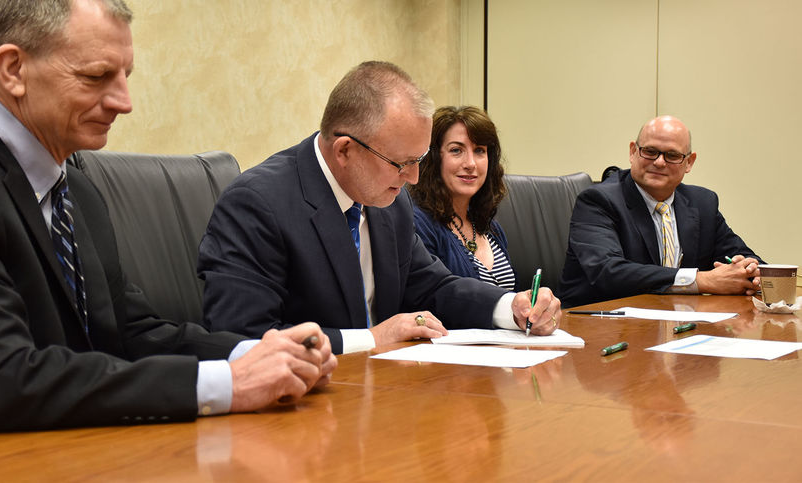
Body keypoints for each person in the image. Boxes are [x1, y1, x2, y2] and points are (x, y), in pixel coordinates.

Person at [0, 0, 335, 433]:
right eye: (97, 76)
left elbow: (132, 332)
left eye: (126, 75)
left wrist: (259, 355)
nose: (124, 101)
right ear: (13, 69)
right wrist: (226, 384)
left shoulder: (78, 190)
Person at [198, 61, 562, 355]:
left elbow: (433, 286)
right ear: (344, 151)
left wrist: (511, 308)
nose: (416, 178)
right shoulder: (258, 204)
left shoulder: (390, 200)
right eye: (401, 162)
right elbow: (243, 338)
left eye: (419, 159)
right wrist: (373, 338)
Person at [558, 115, 763, 307]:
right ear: (633, 152)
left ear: (689, 162)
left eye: (672, 155)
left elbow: (742, 255)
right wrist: (701, 280)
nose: (659, 162)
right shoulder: (598, 201)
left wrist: (750, 272)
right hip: (601, 324)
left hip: (676, 323)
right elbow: (607, 271)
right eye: (650, 151)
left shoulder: (703, 203)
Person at [408, 106, 516, 290]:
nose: (471, 164)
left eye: (479, 151)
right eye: (456, 150)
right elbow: (434, 297)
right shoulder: (418, 224)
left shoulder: (490, 227)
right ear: (434, 158)